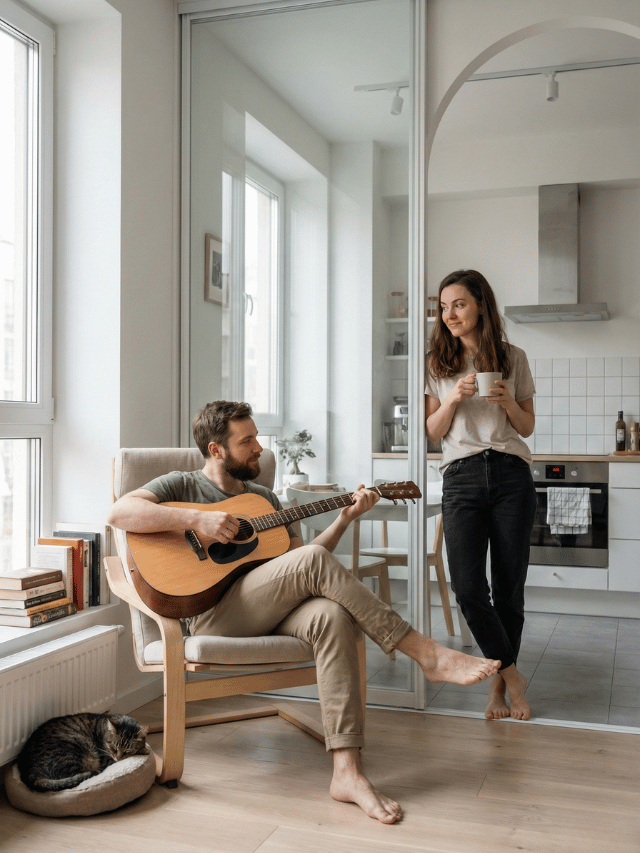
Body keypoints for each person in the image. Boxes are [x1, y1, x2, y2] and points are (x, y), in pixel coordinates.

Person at [108, 400, 501, 825]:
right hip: (212, 612)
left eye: (257, 436)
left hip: (268, 605)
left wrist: (346, 517)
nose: (259, 447)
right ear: (216, 450)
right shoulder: (182, 484)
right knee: (316, 574)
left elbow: (304, 562)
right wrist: (197, 522)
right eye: (248, 440)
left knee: (331, 616)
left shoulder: (263, 498)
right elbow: (119, 512)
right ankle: (427, 653)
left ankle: (347, 773)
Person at [424, 270, 536, 722]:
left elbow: (526, 426)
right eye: (444, 306)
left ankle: (496, 689)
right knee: (469, 588)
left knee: (509, 590)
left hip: (511, 473)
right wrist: (451, 399)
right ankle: (513, 675)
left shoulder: (514, 358)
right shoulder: (436, 363)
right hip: (462, 476)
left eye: (459, 304)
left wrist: (508, 402)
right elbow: (433, 433)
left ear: (481, 307)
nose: (450, 314)